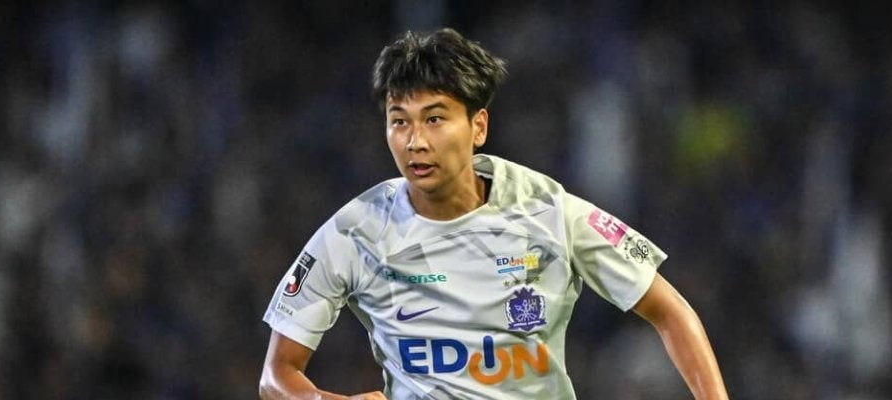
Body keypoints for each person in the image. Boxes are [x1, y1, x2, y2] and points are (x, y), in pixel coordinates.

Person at [259, 28, 728, 400]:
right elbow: (276, 375)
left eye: (434, 119)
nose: (415, 141)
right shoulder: (354, 231)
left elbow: (670, 311)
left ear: (478, 126)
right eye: (399, 121)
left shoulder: (547, 210)